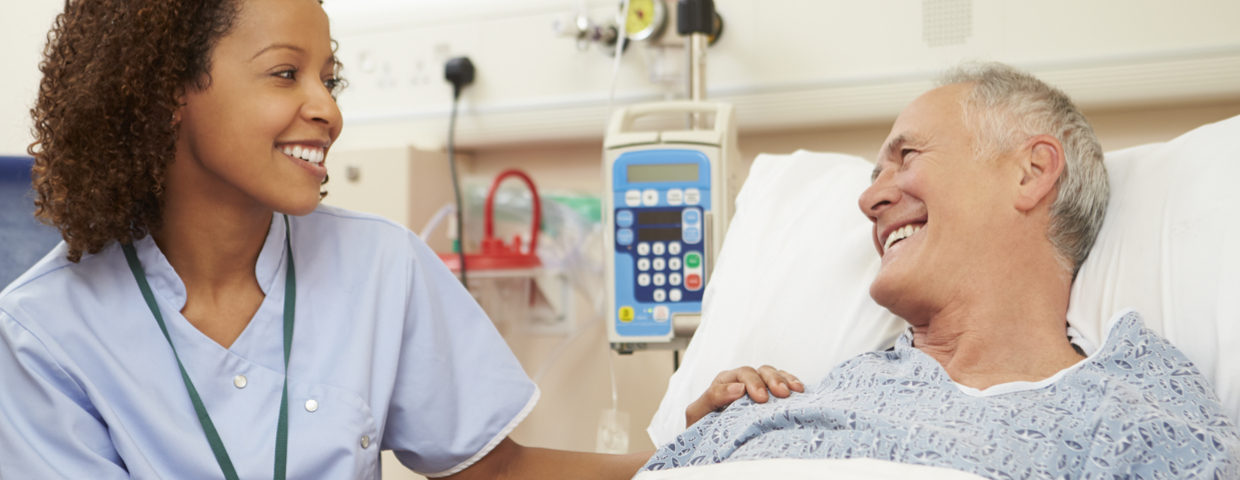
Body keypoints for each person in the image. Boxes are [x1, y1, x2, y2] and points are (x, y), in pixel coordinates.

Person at [0, 0, 653, 478]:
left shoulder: (381, 268)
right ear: (167, 90)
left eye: (329, 79)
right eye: (287, 74)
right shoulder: (44, 334)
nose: (328, 109)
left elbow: (495, 472)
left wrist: (685, 458)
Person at [645, 63, 1240, 478]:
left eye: (907, 156)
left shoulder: (1132, 418)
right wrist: (697, 443)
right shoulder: (788, 400)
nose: (868, 201)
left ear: (1031, 172)